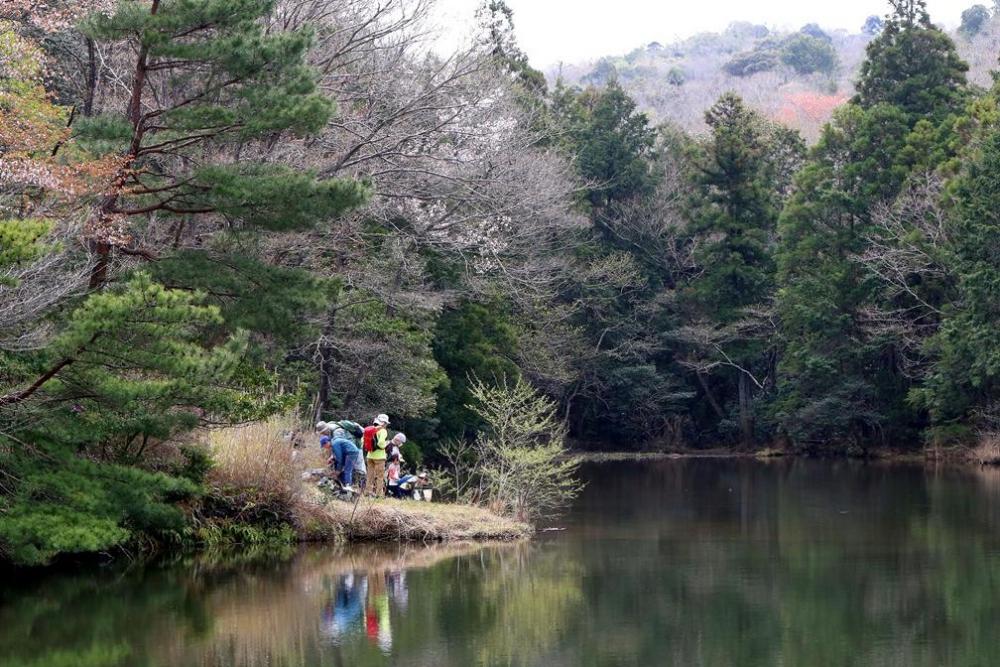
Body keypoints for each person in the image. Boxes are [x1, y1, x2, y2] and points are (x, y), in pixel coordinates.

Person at [329, 427, 361, 492]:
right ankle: (344, 483)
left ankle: (348, 485)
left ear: (326, 443)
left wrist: (338, 470)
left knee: (347, 469)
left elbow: (339, 458)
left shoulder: (335, 443)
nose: (325, 447)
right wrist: (332, 458)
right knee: (344, 468)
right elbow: (338, 455)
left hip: (352, 452)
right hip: (349, 451)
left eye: (324, 445)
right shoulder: (335, 441)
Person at [365, 414, 390, 497]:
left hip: (369, 455)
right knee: (380, 476)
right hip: (379, 457)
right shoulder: (383, 431)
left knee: (370, 475)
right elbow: (380, 443)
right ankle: (379, 494)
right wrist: (386, 444)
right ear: (384, 423)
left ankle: (368, 492)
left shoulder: (370, 429)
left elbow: (363, 441)